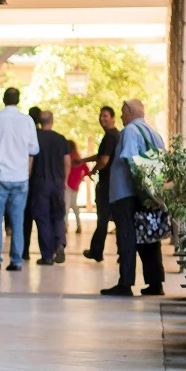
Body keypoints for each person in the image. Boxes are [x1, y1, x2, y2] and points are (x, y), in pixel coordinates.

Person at [101, 99, 166, 296]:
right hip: (148, 194)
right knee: (149, 237)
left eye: (122, 112)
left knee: (127, 236)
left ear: (130, 111)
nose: (121, 116)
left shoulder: (129, 131)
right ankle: (155, 283)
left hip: (127, 193)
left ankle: (126, 283)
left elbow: (130, 158)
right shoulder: (153, 132)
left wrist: (139, 187)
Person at [0, 88, 40, 272]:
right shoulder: (27, 121)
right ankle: (16, 261)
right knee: (17, 220)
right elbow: (34, 149)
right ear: (18, 100)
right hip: (20, 176)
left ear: (4, 100)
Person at [29, 111, 70, 265]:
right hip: (58, 183)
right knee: (58, 215)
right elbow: (67, 162)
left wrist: (27, 179)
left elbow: (30, 162)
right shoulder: (61, 139)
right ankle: (60, 243)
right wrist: (64, 181)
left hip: (40, 184)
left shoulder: (35, 138)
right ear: (52, 121)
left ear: (39, 122)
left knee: (43, 219)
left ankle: (47, 255)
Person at [81, 106, 120, 262]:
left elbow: (104, 160)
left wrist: (93, 171)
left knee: (103, 218)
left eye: (105, 115)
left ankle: (97, 251)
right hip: (114, 183)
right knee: (115, 219)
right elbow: (102, 155)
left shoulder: (110, 136)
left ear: (112, 118)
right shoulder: (114, 135)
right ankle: (122, 254)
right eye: (101, 115)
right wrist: (84, 161)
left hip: (107, 184)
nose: (102, 118)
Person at [22, 106, 43, 259]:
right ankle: (46, 253)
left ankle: (25, 251)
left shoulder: (26, 136)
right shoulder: (46, 136)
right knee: (43, 218)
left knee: (26, 218)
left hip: (27, 180)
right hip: (42, 181)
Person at [66, 140, 90, 234]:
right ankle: (79, 224)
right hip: (75, 185)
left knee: (67, 206)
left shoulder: (67, 158)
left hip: (67, 184)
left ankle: (65, 225)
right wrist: (80, 178)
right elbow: (87, 170)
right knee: (74, 206)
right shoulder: (79, 159)